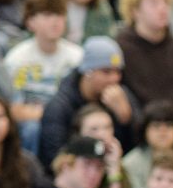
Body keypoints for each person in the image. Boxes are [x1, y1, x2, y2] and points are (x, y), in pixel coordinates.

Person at [38, 36, 140, 169]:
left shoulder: (121, 95)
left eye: (118, 72)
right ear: (88, 72)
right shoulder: (61, 105)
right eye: (106, 72)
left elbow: (140, 145)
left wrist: (127, 118)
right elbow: (54, 155)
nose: (114, 79)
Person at [1, 0, 83, 154]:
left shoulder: (77, 57)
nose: (55, 21)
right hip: (33, 126)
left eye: (60, 15)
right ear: (30, 21)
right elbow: (14, 109)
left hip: (69, 120)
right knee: (32, 129)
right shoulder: (16, 59)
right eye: (47, 15)